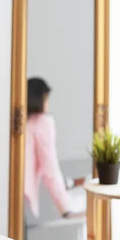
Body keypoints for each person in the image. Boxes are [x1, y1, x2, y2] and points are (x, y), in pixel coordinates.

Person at [24, 77, 84, 223]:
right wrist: (66, 209)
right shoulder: (42, 123)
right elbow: (50, 170)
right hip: (26, 198)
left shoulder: (23, 123)